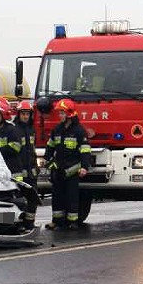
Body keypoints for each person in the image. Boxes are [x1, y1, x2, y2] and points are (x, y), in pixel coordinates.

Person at [45, 98, 91, 230]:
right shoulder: (57, 129)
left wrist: (84, 167)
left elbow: (85, 150)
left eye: (62, 113)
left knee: (72, 197)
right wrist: (48, 160)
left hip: (72, 170)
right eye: (59, 113)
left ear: (69, 114)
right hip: (58, 169)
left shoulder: (79, 131)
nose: (60, 115)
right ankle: (57, 221)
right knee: (57, 196)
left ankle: (73, 221)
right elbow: (50, 146)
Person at [0, 97, 31, 229]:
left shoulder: (11, 130)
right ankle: (4, 223)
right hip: (1, 171)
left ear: (3, 115)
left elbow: (16, 147)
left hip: (13, 171)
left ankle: (20, 224)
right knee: (3, 200)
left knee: (16, 199)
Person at [13, 100, 40, 230]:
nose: (25, 116)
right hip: (20, 172)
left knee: (33, 199)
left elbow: (32, 149)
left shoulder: (31, 129)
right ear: (18, 114)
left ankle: (30, 223)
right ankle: (19, 224)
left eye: (27, 114)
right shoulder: (14, 129)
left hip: (31, 171)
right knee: (20, 199)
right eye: (23, 113)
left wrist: (36, 166)